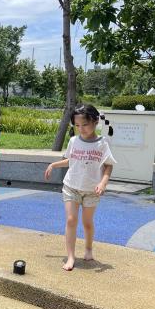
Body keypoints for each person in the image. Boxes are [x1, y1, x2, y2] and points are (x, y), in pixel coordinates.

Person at [44, 105, 116, 271]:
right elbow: (71, 160)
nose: (81, 129)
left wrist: (103, 182)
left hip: (92, 190)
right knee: (71, 220)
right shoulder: (73, 141)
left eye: (84, 124)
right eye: (77, 125)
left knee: (87, 223)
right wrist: (54, 164)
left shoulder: (102, 144)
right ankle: (70, 257)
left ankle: (89, 248)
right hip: (71, 187)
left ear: (96, 121)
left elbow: (108, 166)